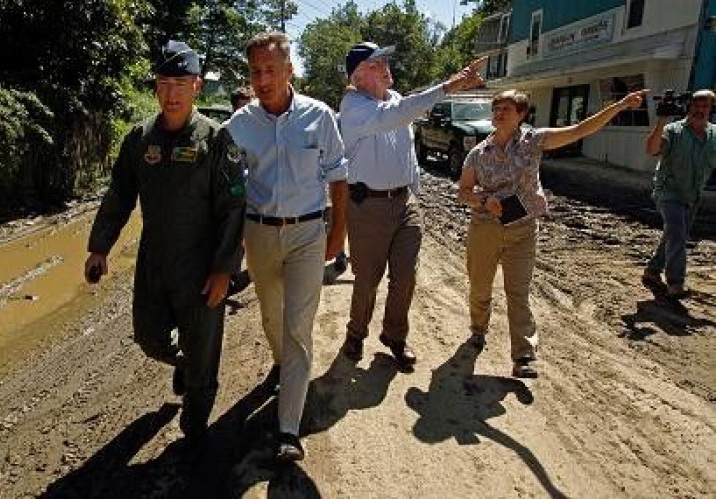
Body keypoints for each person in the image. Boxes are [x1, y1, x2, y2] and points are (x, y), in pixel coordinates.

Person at [84, 40, 245, 448]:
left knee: (204, 360)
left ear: (196, 87)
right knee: (149, 338)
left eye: (181, 83)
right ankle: (184, 361)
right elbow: (120, 194)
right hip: (154, 261)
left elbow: (234, 207)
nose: (171, 93)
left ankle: (193, 432)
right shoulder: (139, 139)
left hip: (202, 265)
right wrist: (100, 246)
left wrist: (225, 268)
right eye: (164, 83)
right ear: (156, 87)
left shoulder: (216, 141)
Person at [458, 88, 646, 378]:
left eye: (506, 109)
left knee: (518, 293)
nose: (498, 113)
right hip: (485, 229)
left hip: (523, 230)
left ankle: (523, 355)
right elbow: (463, 193)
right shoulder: (477, 153)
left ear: (521, 115)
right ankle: (478, 329)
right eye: (496, 108)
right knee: (480, 287)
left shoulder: (534, 141)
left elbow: (580, 129)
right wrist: (485, 200)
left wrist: (618, 107)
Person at [226, 31, 347, 461]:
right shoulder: (238, 126)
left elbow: (338, 176)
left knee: (298, 327)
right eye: (255, 71)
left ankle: (287, 430)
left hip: (307, 234)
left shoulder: (319, 116)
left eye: (271, 70)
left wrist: (338, 233)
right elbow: (218, 176)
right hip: (259, 234)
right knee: (271, 314)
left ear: (289, 70)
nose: (262, 79)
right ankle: (281, 364)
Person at [338, 41, 486, 368]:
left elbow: (407, 151)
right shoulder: (354, 108)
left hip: (404, 202)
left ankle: (394, 334)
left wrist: (415, 192)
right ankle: (356, 333)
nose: (386, 66)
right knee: (367, 279)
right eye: (377, 63)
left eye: (385, 60)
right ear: (359, 75)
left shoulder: (394, 99)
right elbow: (396, 115)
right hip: (368, 208)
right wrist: (450, 85)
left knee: (405, 277)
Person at [642, 89, 716, 298]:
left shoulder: (714, 135)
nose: (700, 110)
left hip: (693, 194)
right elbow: (652, 149)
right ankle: (676, 282)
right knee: (677, 234)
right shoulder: (673, 130)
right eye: (696, 106)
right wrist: (662, 118)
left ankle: (652, 271)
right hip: (669, 191)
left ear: (710, 109)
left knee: (674, 235)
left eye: (705, 106)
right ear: (688, 107)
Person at [225, 86, 256, 298]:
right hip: (230, 197)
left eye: (249, 106)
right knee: (231, 238)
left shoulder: (259, 130)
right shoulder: (225, 132)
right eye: (241, 107)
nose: (246, 112)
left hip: (254, 199)